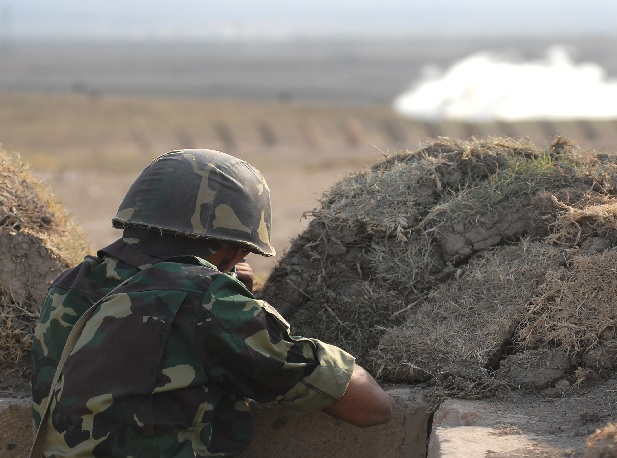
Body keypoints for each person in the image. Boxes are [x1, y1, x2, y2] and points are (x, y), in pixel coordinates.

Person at [30, 149, 392, 457]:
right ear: (234, 249)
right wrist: (239, 306)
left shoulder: (70, 285)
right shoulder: (207, 302)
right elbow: (371, 407)